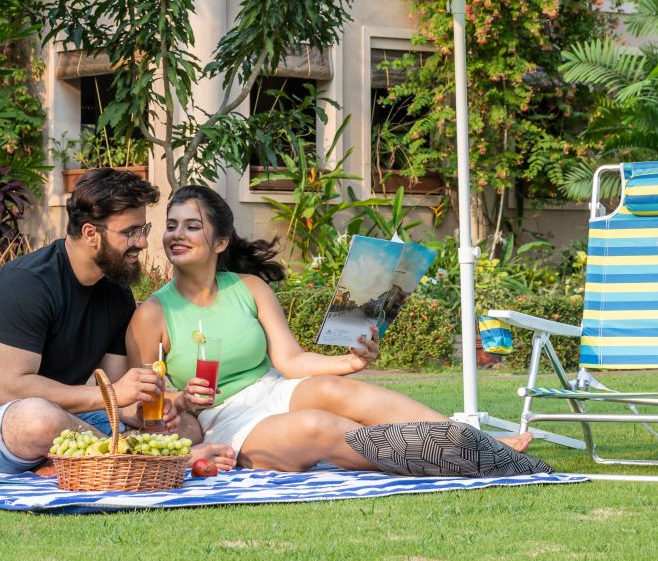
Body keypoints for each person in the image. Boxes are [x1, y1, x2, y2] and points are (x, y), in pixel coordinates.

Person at [127, 184, 551, 478]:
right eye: (171, 225)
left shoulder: (249, 288)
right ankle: (455, 457)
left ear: (220, 243)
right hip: (221, 421)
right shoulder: (153, 313)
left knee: (336, 389)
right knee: (315, 425)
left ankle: (471, 443)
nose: (175, 235)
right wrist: (180, 401)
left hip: (271, 389)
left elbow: (289, 361)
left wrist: (347, 361)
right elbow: (144, 405)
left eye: (191, 225)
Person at [0, 167, 233, 474]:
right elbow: (12, 390)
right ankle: (149, 461)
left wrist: (152, 411)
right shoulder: (27, 284)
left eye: (143, 230)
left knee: (185, 428)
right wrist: (116, 397)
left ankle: (67, 463)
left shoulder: (116, 291)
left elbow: (117, 397)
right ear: (90, 233)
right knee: (38, 420)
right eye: (130, 232)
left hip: (64, 414)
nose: (141, 243)